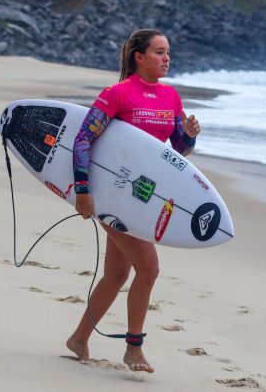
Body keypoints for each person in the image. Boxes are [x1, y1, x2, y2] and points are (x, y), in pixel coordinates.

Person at [67, 29, 201, 373]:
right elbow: (83, 140)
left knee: (116, 275)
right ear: (138, 57)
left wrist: (188, 134)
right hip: (113, 196)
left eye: (168, 52)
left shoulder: (170, 97)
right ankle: (133, 348)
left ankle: (79, 338)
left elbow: (177, 153)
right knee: (149, 268)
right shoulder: (117, 95)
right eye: (159, 52)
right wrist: (82, 189)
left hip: (143, 196)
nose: (167, 58)